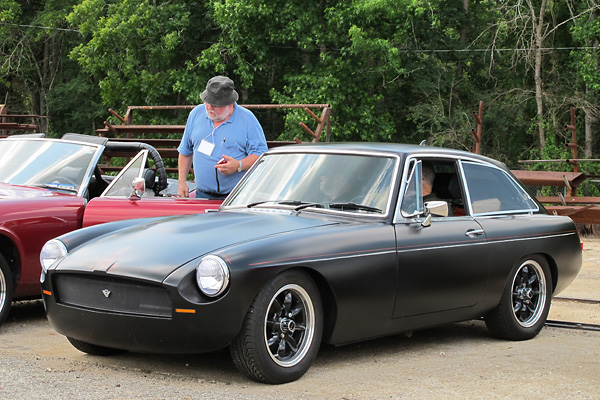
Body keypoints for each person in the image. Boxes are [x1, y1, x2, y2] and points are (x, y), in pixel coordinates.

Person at [177, 76, 268, 199]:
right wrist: (181, 182)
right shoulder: (196, 114)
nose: (209, 107)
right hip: (201, 195)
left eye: (214, 105)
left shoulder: (247, 119)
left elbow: (261, 154)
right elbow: (185, 151)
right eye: (207, 102)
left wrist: (238, 165)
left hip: (236, 197)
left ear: (229, 104)